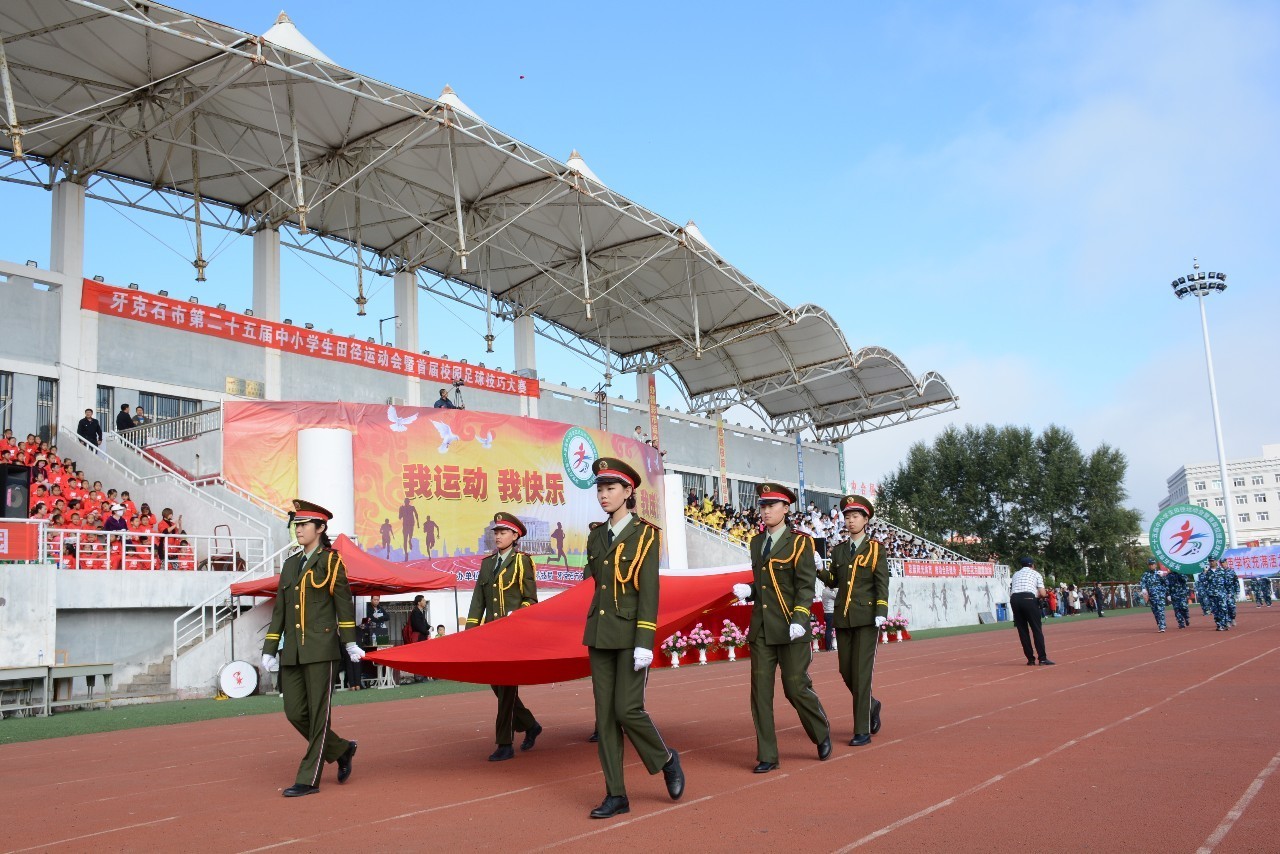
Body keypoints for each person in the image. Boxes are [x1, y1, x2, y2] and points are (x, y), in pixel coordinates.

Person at [582, 456, 683, 819]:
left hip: (630, 635)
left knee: (627, 709)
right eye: (600, 488)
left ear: (628, 492)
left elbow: (649, 592)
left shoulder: (645, 536)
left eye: (610, 488)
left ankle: (666, 759)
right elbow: (590, 584)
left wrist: (645, 640)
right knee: (605, 717)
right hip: (599, 634)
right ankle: (616, 794)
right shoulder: (595, 535)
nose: (603, 494)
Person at [260, 500, 361, 797]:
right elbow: (280, 610)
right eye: (297, 524)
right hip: (292, 650)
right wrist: (269, 647)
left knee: (319, 716)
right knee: (294, 712)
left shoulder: (331, 561)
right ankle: (342, 749)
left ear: (320, 528)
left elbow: (343, 603)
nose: (299, 529)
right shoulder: (291, 563)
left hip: (321, 648)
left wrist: (350, 641)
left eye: (304, 525)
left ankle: (308, 778)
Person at [731, 481, 832, 773]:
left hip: (791, 626)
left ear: (786, 508)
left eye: (771, 505)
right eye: (762, 506)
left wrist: (800, 619)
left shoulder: (801, 542)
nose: (765, 511)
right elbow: (765, 585)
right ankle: (767, 754)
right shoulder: (756, 543)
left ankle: (820, 731)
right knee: (760, 693)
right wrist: (750, 590)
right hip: (762, 628)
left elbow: (804, 586)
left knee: (795, 687)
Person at [465, 512, 543, 762]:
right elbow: (479, 600)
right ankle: (530, 724)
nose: (498, 536)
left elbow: (531, 600)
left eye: (502, 532)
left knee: (507, 687)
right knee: (496, 684)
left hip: (512, 635)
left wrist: (516, 616)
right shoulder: (487, 564)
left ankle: (504, 743)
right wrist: (471, 631)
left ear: (515, 535)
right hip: (490, 635)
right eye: (495, 532)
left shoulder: (522, 562)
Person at [818, 494, 887, 747]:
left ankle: (862, 729)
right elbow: (835, 581)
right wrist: (819, 570)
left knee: (861, 673)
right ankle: (871, 704)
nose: (850, 520)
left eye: (855, 516)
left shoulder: (876, 549)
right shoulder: (838, 551)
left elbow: (882, 582)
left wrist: (881, 610)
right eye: (847, 516)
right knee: (845, 670)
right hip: (844, 617)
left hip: (868, 617)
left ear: (866, 519)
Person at [1009, 557, 1054, 666]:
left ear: (1022, 565)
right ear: (1032, 565)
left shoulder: (1015, 574)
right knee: (1036, 629)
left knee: (1023, 631)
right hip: (1028, 599)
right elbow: (1043, 594)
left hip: (1014, 600)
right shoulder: (1036, 574)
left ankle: (1030, 659)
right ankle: (1042, 658)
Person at [1139, 559, 1169, 633]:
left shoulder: (1159, 573)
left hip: (1160, 595)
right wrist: (1143, 589)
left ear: (1155, 565)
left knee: (1160, 610)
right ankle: (1160, 623)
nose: (1151, 566)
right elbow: (1142, 582)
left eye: (1152, 564)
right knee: (1155, 611)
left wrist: (1162, 576)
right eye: (1150, 565)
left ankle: (1162, 626)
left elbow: (1167, 583)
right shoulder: (1146, 574)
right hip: (1152, 595)